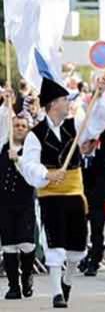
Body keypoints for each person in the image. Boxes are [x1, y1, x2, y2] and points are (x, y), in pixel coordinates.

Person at [20, 77, 105, 308]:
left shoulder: (74, 125)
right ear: (52, 104)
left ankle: (67, 280)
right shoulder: (35, 134)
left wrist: (98, 96)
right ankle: (57, 293)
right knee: (54, 243)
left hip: (75, 193)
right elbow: (27, 164)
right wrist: (47, 174)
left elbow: (97, 124)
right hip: (51, 196)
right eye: (63, 99)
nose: (68, 103)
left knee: (77, 245)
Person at [0, 92, 36, 300]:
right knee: (9, 245)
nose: (19, 128)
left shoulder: (31, 150)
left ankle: (27, 276)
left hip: (24, 203)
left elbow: (33, 175)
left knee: (26, 243)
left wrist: (19, 160)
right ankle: (13, 286)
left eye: (23, 126)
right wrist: (7, 104)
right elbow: (2, 122)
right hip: (4, 203)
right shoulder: (3, 145)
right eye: (16, 125)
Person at [78, 129, 105, 277]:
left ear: (95, 143)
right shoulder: (75, 158)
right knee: (79, 232)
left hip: (97, 202)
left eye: (89, 142)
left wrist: (102, 126)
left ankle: (94, 262)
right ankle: (83, 257)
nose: (85, 145)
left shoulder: (101, 157)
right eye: (83, 142)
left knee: (97, 232)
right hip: (80, 201)